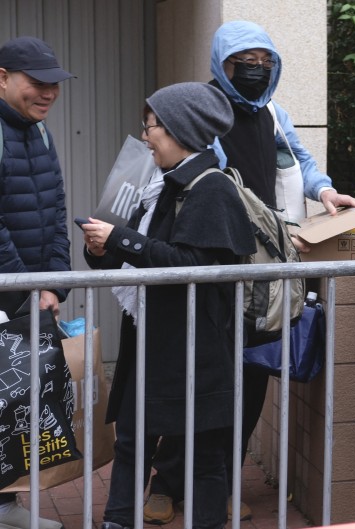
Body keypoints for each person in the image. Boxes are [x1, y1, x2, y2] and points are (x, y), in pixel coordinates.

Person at [142, 20, 355, 524]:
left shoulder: (275, 115)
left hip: (263, 267)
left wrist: (324, 191)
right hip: (214, 258)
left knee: (251, 378)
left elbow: (302, 161)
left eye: (265, 63)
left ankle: (221, 482)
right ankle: (166, 479)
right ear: (222, 63)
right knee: (201, 380)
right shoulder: (205, 110)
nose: (256, 72)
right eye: (244, 63)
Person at [81, 82, 255, 529]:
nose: (145, 136)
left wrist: (119, 239)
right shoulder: (157, 183)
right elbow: (130, 253)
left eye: (151, 126)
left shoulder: (211, 188)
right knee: (132, 441)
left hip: (195, 348)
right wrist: (100, 247)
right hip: (155, 339)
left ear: (180, 130)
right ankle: (117, 521)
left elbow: (190, 264)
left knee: (203, 455)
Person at [0, 35, 74, 529]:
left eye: (54, 84)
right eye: (36, 82)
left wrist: (56, 282)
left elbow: (55, 208)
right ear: (2, 78)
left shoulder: (38, 131)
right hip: (9, 293)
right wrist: (30, 286)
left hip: (29, 293)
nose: (48, 92)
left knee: (17, 403)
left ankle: (7, 506)